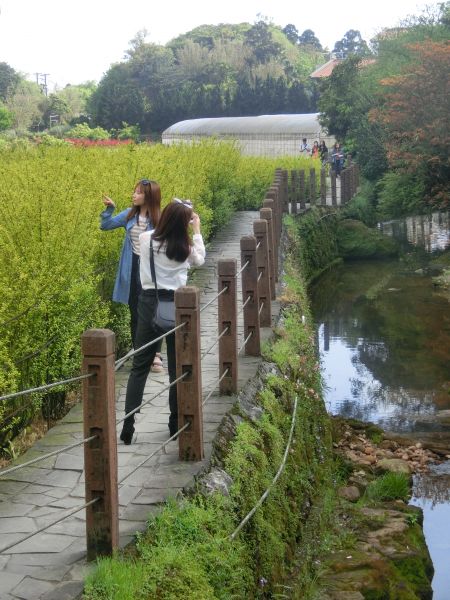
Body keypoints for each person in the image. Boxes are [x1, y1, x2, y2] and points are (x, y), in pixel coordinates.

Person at [120, 199, 206, 445]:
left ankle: (128, 424)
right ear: (183, 224)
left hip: (148, 303)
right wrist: (196, 230)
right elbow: (200, 259)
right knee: (176, 368)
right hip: (177, 306)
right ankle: (174, 422)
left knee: (139, 367)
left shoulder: (147, 240)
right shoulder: (184, 248)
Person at [100, 179, 165, 373]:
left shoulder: (158, 219)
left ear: (149, 196)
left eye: (138, 192)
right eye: (134, 192)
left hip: (150, 270)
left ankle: (155, 354)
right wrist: (110, 209)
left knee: (153, 312)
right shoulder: (129, 216)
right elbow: (105, 225)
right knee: (135, 312)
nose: (133, 195)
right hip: (131, 268)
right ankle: (140, 353)